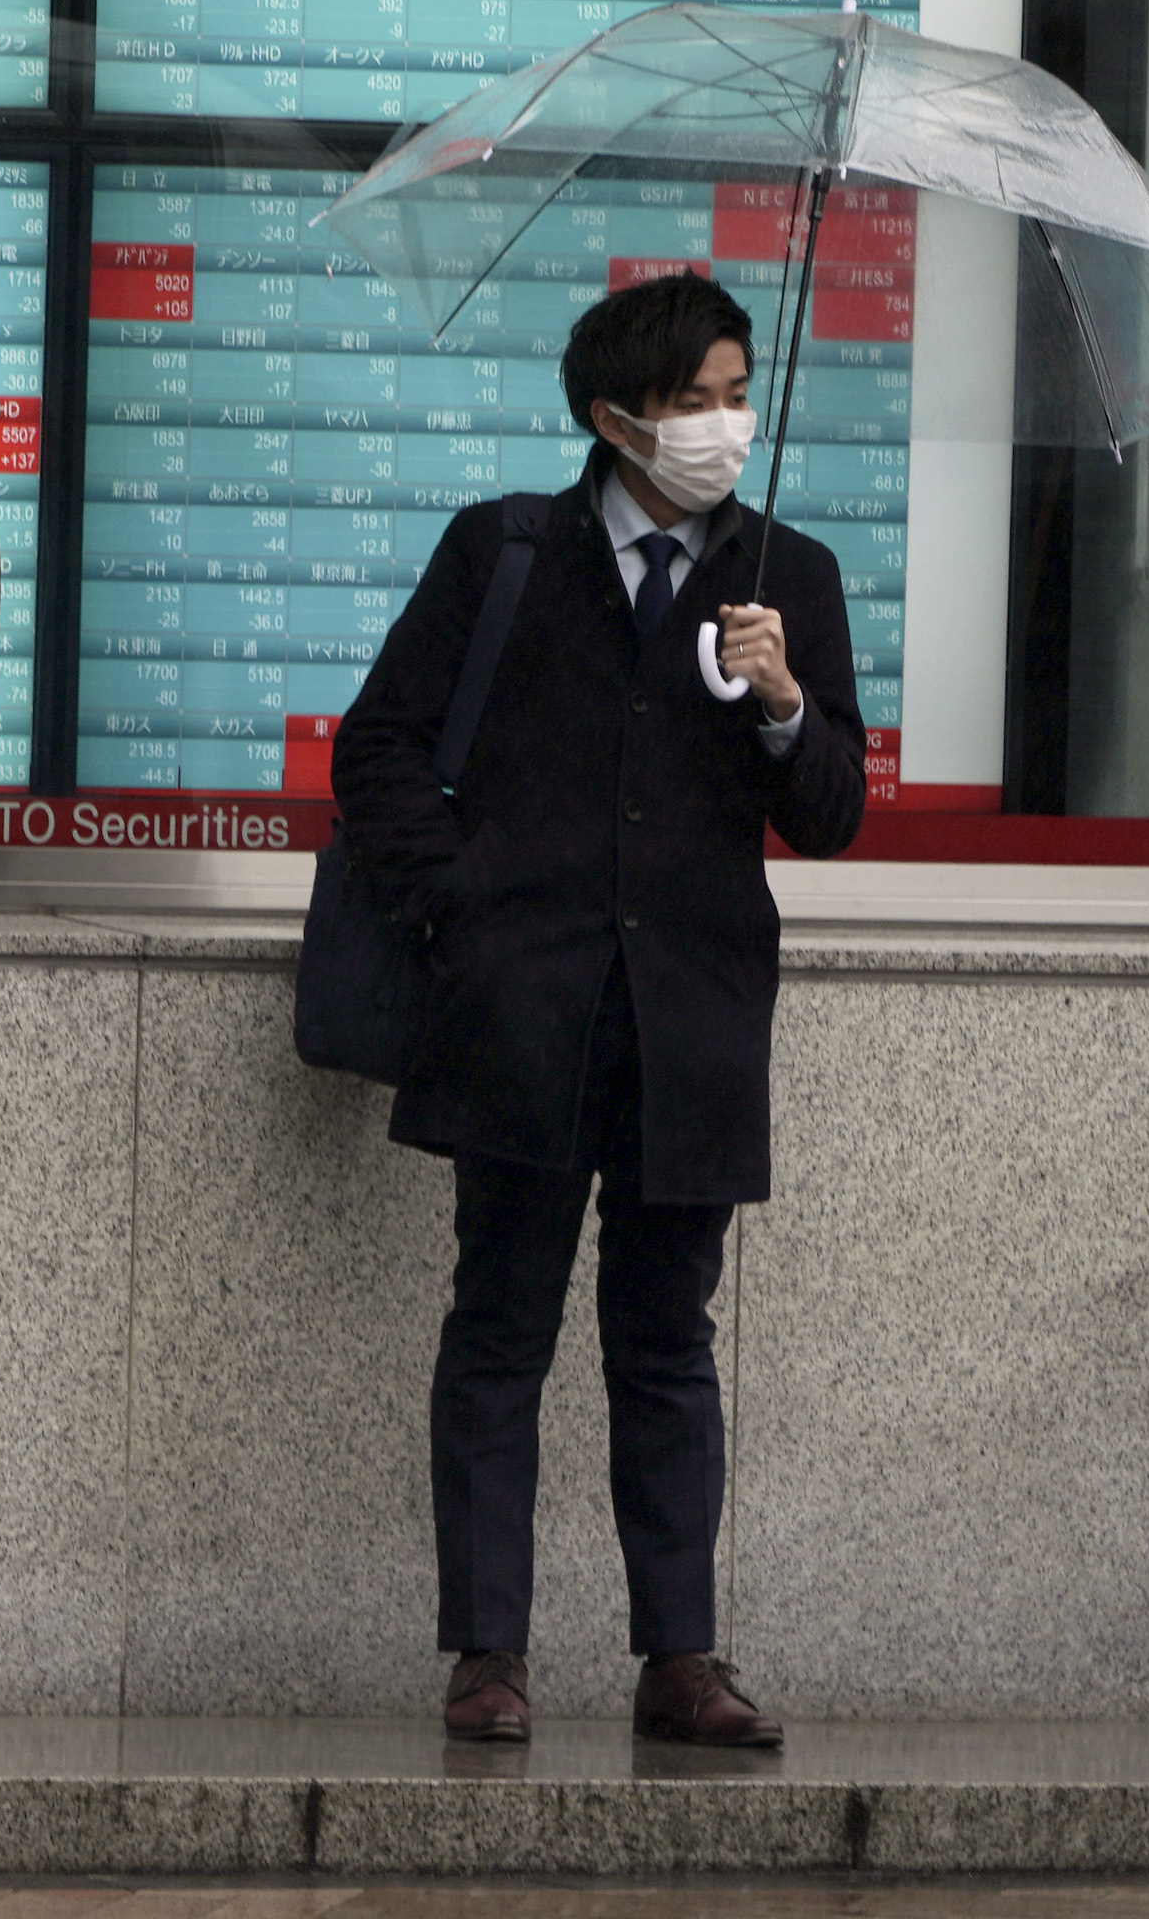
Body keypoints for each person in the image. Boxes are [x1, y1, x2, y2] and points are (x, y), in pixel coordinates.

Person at [333, 272, 867, 1749]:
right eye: (691, 400)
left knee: (666, 1341)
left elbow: (833, 816)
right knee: (498, 1327)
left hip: (689, 1021)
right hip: (520, 1012)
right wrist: (462, 917)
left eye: (734, 393)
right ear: (611, 415)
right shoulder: (504, 552)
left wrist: (781, 704)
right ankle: (487, 1653)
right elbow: (375, 749)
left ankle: (680, 1657)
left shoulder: (786, 577)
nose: (719, 426)